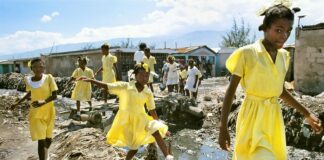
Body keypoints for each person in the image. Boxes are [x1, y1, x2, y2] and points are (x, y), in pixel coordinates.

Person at [218, 4, 322, 159]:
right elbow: (231, 90)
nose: (284, 36)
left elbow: (280, 91)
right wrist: (223, 126)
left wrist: (307, 113)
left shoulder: (283, 57)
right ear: (265, 28)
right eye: (278, 30)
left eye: (288, 31)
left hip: (273, 118)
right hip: (252, 116)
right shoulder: (247, 53)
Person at [80, 63, 173, 160]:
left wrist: (160, 126)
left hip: (142, 119)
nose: (144, 78)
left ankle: (168, 156)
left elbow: (152, 110)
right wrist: (92, 81)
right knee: (134, 148)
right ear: (135, 75)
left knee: (155, 130)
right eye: (141, 75)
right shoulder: (126, 87)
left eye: (147, 76)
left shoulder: (148, 92)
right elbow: (108, 86)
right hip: (127, 122)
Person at [12, 58, 58, 160]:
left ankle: (45, 154)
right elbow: (29, 93)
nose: (38, 69)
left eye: (41, 66)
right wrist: (17, 103)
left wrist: (44, 101)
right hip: (36, 113)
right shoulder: (28, 80)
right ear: (31, 68)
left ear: (44, 68)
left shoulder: (49, 78)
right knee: (41, 140)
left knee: (48, 140)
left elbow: (55, 96)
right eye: (35, 67)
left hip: (49, 112)